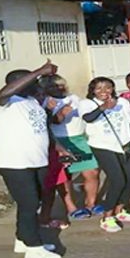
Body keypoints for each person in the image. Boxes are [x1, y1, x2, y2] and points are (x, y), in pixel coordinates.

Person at [0, 60, 62, 258]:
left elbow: (41, 128)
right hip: (14, 162)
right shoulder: (0, 102)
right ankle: (34, 248)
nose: (35, 82)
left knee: (31, 202)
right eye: (31, 79)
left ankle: (23, 239)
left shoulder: (31, 102)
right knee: (29, 203)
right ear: (17, 83)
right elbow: (4, 94)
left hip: (37, 160)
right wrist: (38, 70)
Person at [80, 77, 130, 233]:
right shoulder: (87, 104)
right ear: (92, 90)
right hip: (102, 145)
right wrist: (103, 107)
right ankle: (107, 216)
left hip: (124, 145)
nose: (103, 91)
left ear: (113, 88)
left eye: (107, 87)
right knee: (118, 180)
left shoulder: (123, 102)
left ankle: (119, 209)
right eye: (98, 88)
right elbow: (88, 118)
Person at [42, 75, 100, 221]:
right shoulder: (45, 102)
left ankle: (91, 203)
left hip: (79, 139)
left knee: (92, 170)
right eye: (54, 86)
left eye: (62, 85)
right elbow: (48, 123)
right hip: (58, 141)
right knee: (64, 177)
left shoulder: (74, 98)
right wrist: (60, 113)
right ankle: (71, 208)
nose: (60, 88)